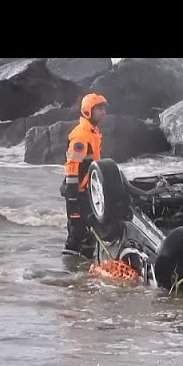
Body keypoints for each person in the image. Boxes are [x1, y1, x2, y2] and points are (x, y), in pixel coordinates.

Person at [61, 93, 108, 257]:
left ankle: (84, 273)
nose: (103, 112)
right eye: (99, 109)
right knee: (76, 234)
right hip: (77, 192)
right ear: (88, 111)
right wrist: (73, 194)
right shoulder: (81, 135)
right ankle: (69, 273)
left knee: (90, 234)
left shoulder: (93, 132)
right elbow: (72, 165)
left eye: (104, 108)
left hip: (88, 190)